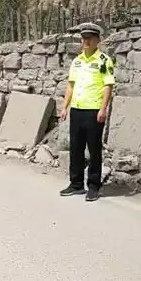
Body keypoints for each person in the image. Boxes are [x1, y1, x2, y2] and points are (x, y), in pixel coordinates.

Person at [59, 22, 115, 202]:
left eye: (89, 38)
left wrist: (103, 108)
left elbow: (108, 85)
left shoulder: (104, 61)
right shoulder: (77, 61)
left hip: (94, 111)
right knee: (75, 148)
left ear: (97, 40)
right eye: (83, 38)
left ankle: (93, 186)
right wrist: (64, 106)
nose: (86, 41)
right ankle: (76, 184)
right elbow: (71, 85)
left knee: (94, 149)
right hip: (77, 109)